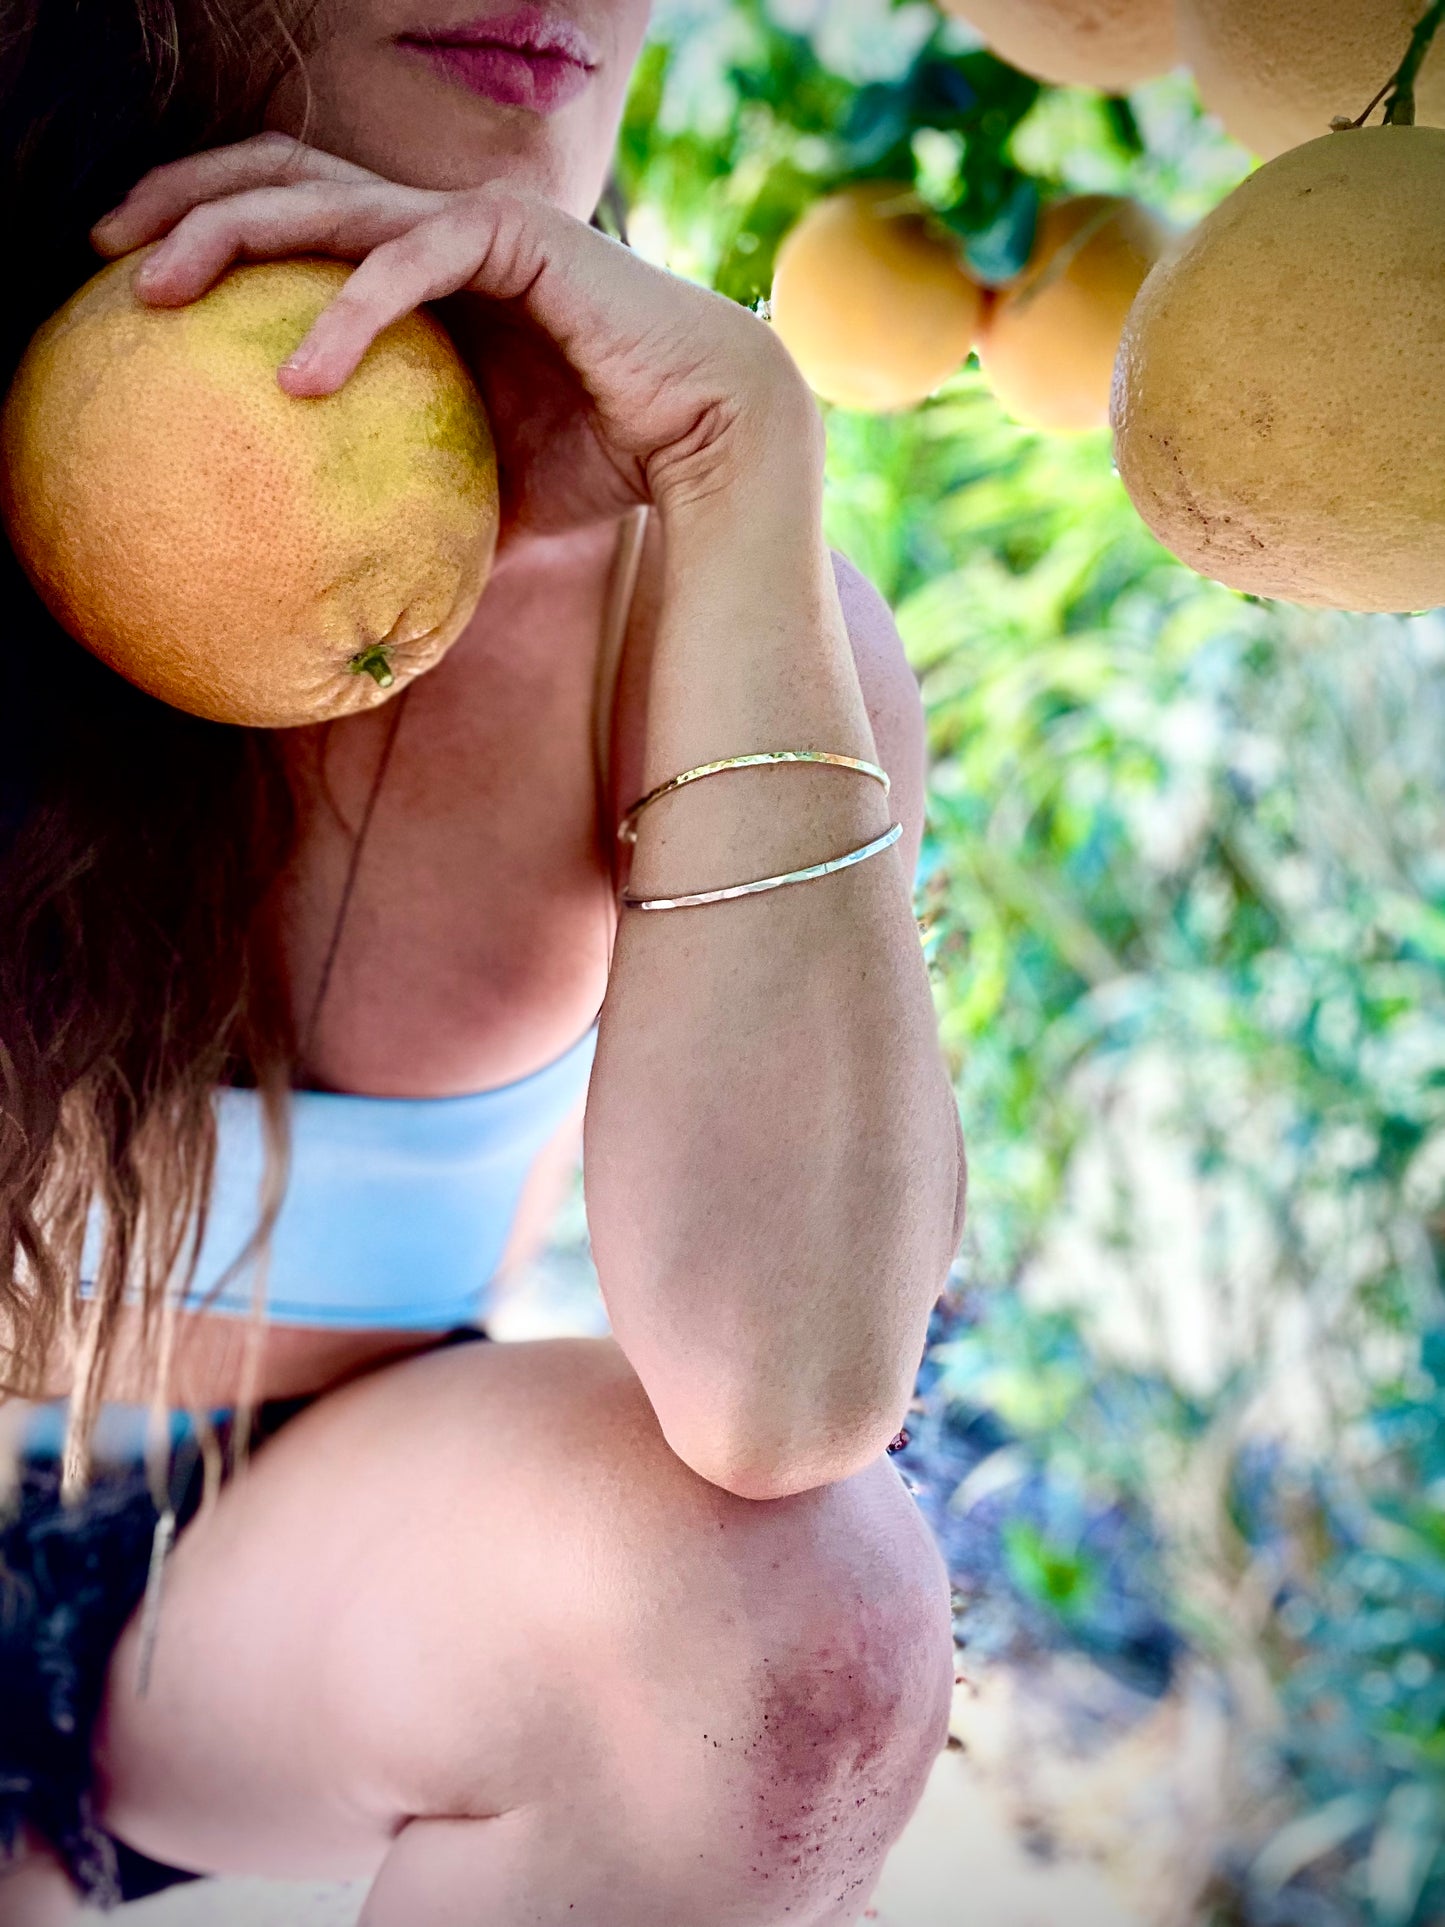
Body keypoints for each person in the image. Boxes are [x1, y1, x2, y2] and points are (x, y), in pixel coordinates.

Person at [0, 1, 969, 1919]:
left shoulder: (698, 609)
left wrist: (733, 469)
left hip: (258, 1597)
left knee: (792, 1620)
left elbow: (786, 1394)